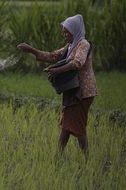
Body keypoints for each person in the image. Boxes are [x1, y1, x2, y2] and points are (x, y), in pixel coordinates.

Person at [17, 14, 97, 155]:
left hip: (83, 92)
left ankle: (85, 159)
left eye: (67, 31)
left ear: (75, 30)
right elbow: (52, 56)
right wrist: (31, 50)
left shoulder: (83, 44)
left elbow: (77, 63)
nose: (64, 34)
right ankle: (58, 157)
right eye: (64, 31)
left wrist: (57, 70)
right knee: (67, 125)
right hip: (73, 90)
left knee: (77, 126)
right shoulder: (70, 46)